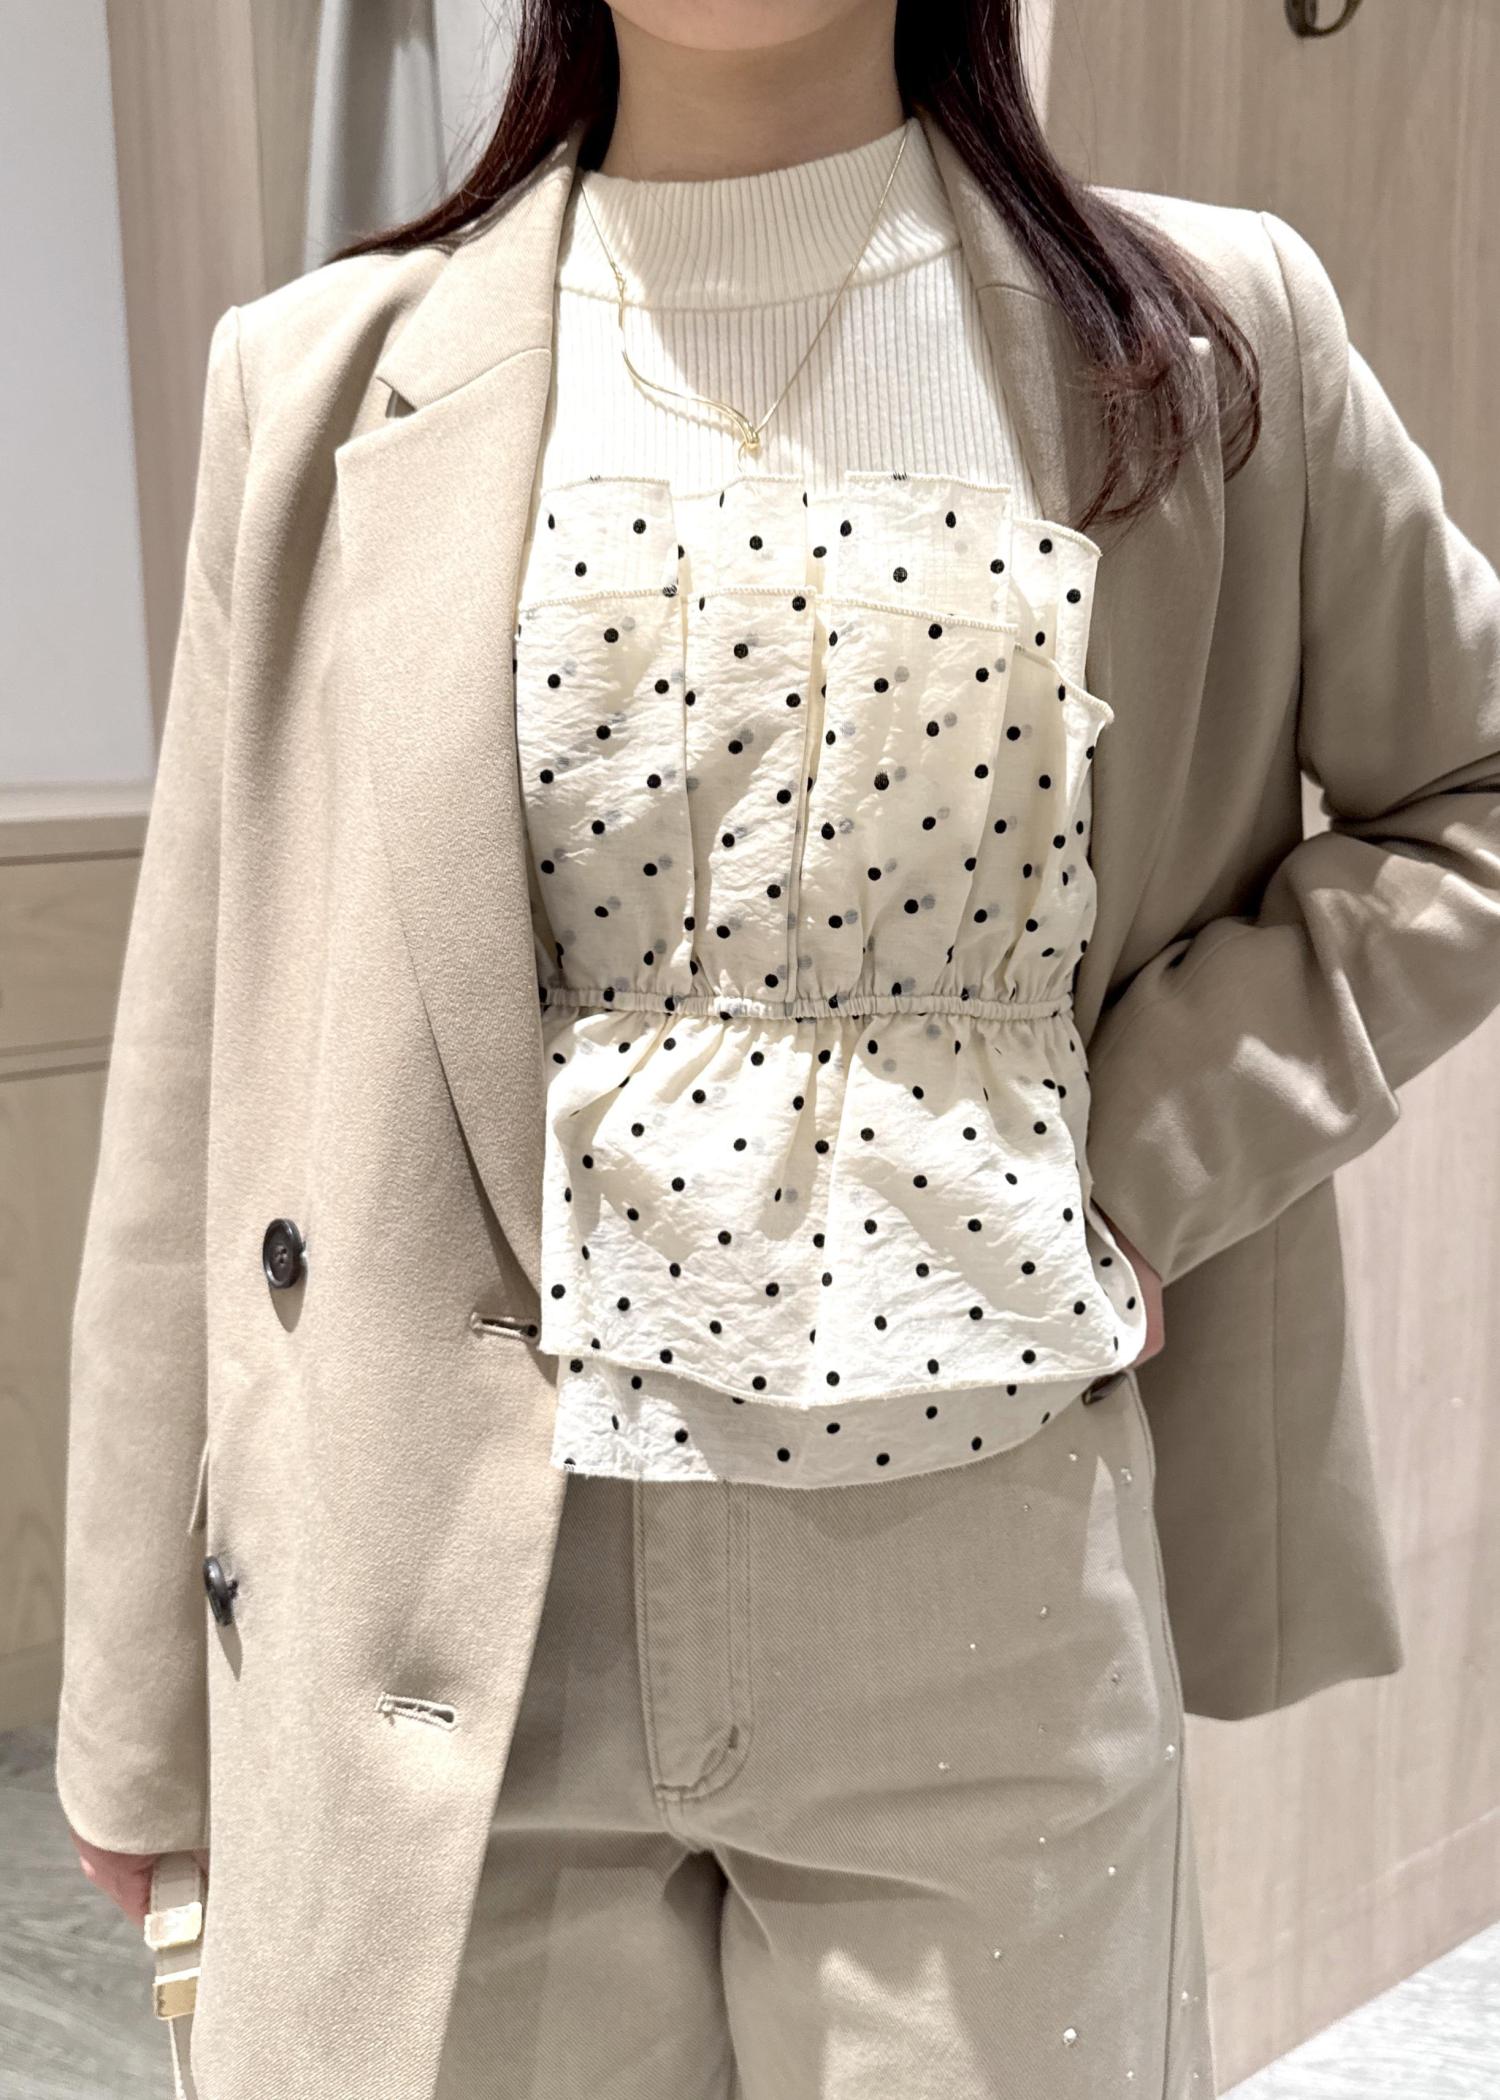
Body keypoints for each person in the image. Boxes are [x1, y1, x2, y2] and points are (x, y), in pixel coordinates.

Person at [54, 2, 1500, 2096]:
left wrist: (1137, 1154)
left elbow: (1468, 790)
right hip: (432, 1596)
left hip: (984, 1592)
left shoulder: (1198, 332)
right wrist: (133, 1701)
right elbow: (196, 1054)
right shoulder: (317, 377)